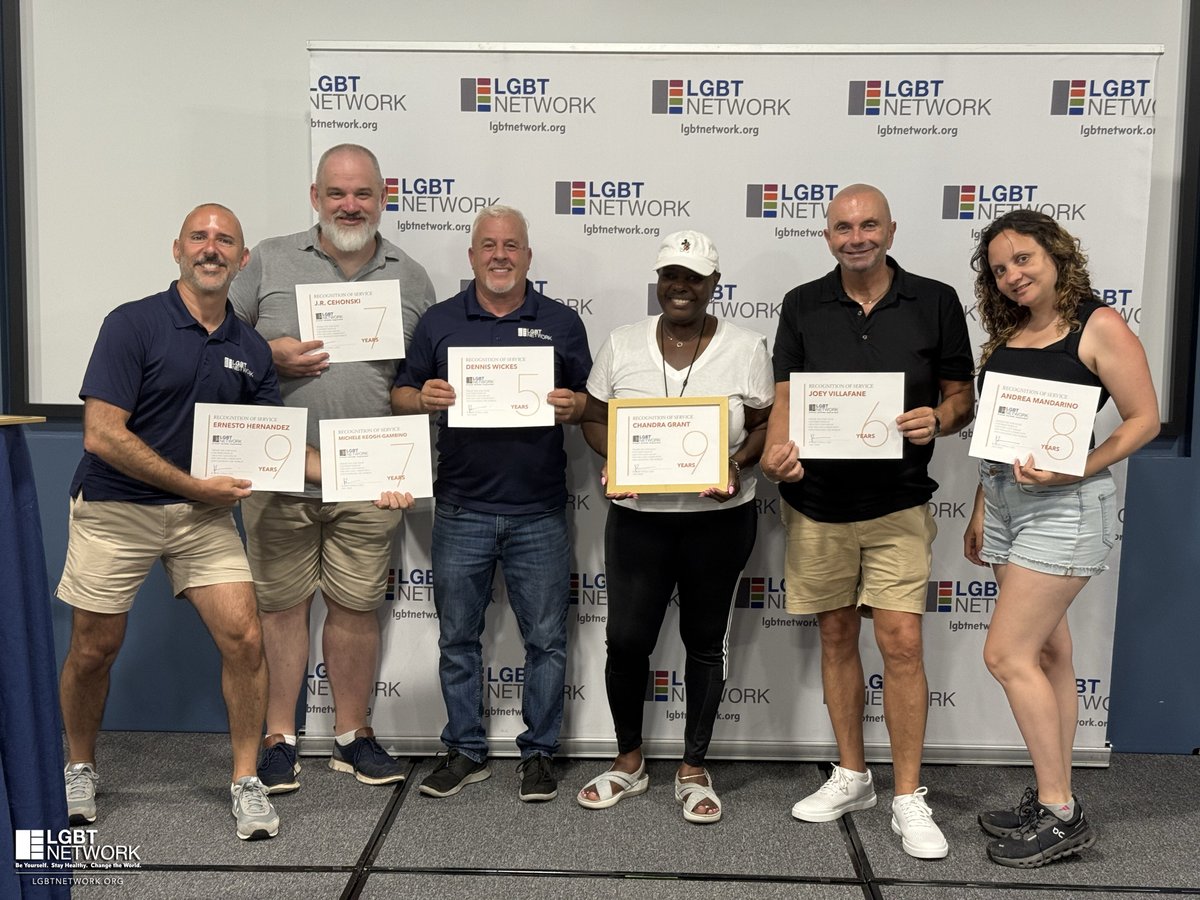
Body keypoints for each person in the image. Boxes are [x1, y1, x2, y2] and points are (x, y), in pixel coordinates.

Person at [760, 184, 974, 859]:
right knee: (833, 637)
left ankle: (908, 796)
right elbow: (787, 395)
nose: (856, 236)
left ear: (890, 228)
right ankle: (852, 775)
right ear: (827, 236)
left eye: (869, 224)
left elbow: (960, 394)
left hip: (900, 503)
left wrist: (939, 419)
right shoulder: (801, 304)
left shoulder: (935, 300)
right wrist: (774, 452)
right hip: (817, 505)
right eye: (843, 227)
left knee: (902, 643)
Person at [58, 204, 284, 840]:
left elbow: (277, 447)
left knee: (244, 637)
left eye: (225, 241)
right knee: (94, 649)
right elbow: (102, 435)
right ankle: (78, 765)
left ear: (242, 261)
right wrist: (193, 486)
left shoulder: (251, 346)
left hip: (201, 517)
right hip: (115, 508)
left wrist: (373, 478)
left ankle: (246, 779)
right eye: (199, 237)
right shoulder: (131, 324)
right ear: (178, 250)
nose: (211, 248)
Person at [229, 144, 437, 792]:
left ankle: (352, 734)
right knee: (282, 609)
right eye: (338, 193)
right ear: (316, 197)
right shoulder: (268, 259)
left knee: (354, 607)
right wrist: (270, 354)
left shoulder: (411, 275)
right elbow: (215, 341)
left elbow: (417, 380)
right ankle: (279, 737)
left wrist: (410, 464)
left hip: (370, 476)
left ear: (382, 197)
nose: (351, 205)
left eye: (364, 193)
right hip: (278, 467)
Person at [964, 211, 1158, 867]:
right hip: (1010, 503)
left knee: (1006, 655)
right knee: (1047, 657)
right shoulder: (1010, 333)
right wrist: (982, 507)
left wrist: (1080, 464)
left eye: (1022, 259)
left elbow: (1145, 420)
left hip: (1067, 506)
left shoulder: (1097, 326)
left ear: (1055, 253)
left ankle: (1061, 814)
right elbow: (997, 435)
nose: (1012, 275)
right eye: (999, 268)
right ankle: (1056, 795)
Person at [391, 204, 591, 802]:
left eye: (512, 245)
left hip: (540, 511)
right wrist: (421, 397)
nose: (500, 255)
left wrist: (574, 407)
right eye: (488, 245)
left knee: (548, 641)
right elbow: (400, 393)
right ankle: (466, 750)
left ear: (528, 256)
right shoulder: (439, 321)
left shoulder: (561, 322)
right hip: (460, 509)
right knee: (457, 638)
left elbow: (593, 401)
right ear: (472, 255)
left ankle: (538, 754)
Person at [575, 231, 773, 824]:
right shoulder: (622, 343)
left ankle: (693, 767)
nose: (680, 287)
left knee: (705, 641)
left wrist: (737, 464)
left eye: (693, 277)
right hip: (639, 522)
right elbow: (591, 415)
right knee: (627, 641)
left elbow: (763, 423)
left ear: (714, 284)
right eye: (670, 276)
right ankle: (628, 760)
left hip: (719, 521)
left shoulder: (746, 346)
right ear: (658, 281)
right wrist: (613, 459)